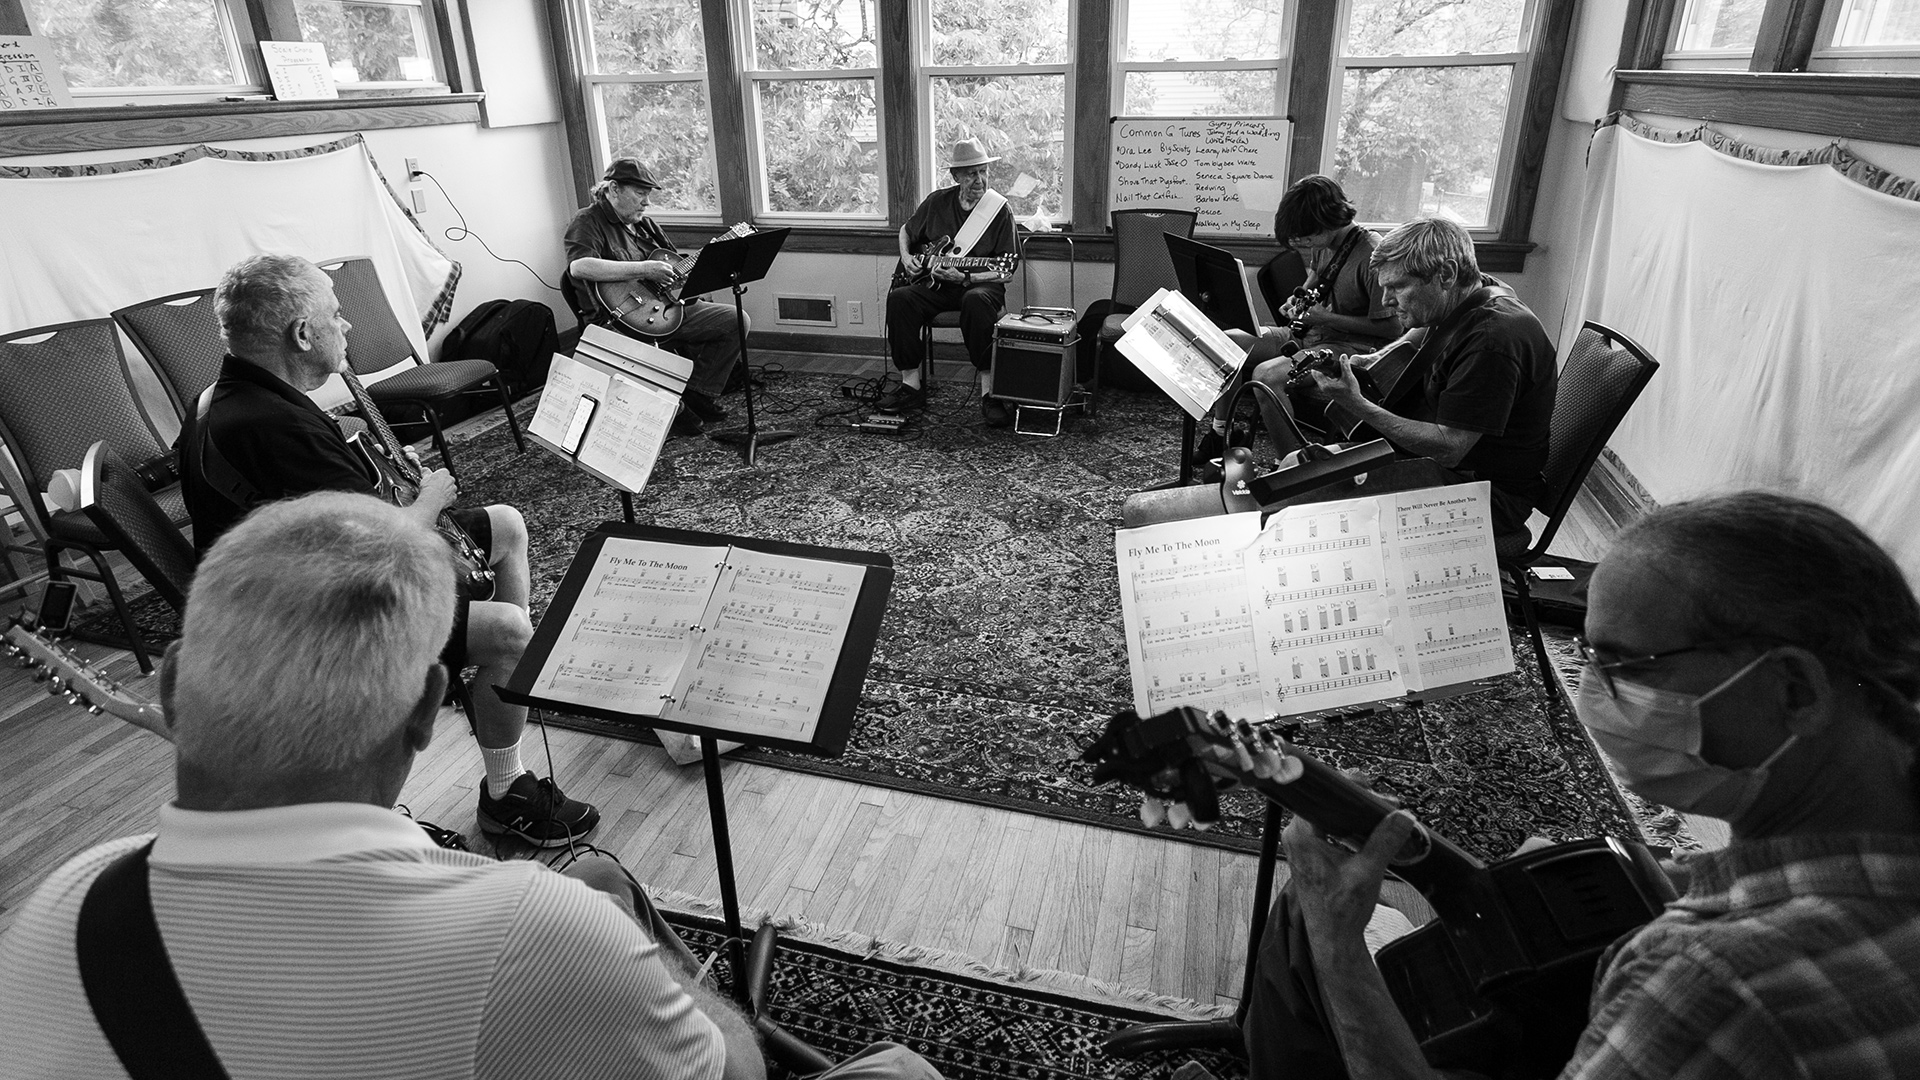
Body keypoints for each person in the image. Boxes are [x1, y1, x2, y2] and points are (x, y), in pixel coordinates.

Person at [0, 493, 942, 1080]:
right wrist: (620, 956)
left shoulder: (65, 898)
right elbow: (731, 1073)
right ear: (429, 709)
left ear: (169, 682)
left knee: (595, 891)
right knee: (900, 1071)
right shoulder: (531, 934)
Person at [1246, 490, 1920, 1080]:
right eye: (1588, 659)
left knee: (1306, 923)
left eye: (1626, 665)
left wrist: (1338, 944)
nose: (1594, 694)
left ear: (1796, 689)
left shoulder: (1716, 983)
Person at [177, 253, 598, 848]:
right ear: (302, 333)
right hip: (307, 620)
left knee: (506, 526)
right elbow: (375, 549)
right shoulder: (272, 426)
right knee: (510, 631)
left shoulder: (227, 399)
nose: (346, 328)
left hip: (295, 581)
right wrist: (427, 499)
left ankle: (487, 692)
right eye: (337, 315)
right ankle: (506, 789)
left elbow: (329, 518)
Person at [1255, 218, 1554, 547]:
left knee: (1293, 501)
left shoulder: (1491, 341)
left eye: (1397, 287)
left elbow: (1449, 448)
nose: (1385, 301)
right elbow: (1418, 335)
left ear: (1447, 274)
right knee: (1293, 469)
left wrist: (1357, 404)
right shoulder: (1476, 292)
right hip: (1455, 469)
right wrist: (1368, 361)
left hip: (1483, 494)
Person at [1198, 176, 1399, 466]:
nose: (1301, 244)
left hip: (1350, 346)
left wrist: (1326, 317)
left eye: (1305, 237)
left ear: (1327, 221)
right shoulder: (1325, 242)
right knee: (1226, 343)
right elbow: (1315, 281)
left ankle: (1292, 466)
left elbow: (1393, 330)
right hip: (1312, 333)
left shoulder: (1371, 252)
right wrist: (1297, 301)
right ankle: (1222, 434)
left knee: (1266, 377)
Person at [563, 158, 745, 437]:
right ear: (613, 189)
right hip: (616, 321)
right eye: (639, 193)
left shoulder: (647, 226)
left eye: (648, 195)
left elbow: (675, 270)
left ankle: (695, 392)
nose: (646, 202)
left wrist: (704, 265)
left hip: (664, 310)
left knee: (736, 320)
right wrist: (645, 268)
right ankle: (673, 408)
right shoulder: (587, 221)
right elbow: (580, 266)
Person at [881, 138, 1019, 427]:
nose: (979, 180)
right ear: (956, 177)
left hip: (980, 284)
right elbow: (907, 231)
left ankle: (989, 392)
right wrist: (907, 258)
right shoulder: (936, 202)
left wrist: (967, 277)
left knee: (976, 300)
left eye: (983, 172)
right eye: (971, 174)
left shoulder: (999, 210)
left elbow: (1006, 269)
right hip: (938, 285)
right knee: (900, 298)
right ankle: (911, 385)